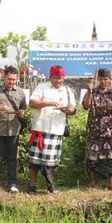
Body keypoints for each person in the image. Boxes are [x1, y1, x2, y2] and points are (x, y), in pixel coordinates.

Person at [27, 65, 77, 194]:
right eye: (55, 78)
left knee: (53, 161)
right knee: (35, 160)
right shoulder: (41, 88)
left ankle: (50, 184)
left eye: (60, 79)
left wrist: (67, 110)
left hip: (57, 129)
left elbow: (73, 109)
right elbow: (32, 103)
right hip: (40, 127)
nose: (58, 81)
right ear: (50, 77)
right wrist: (47, 103)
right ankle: (32, 184)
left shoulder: (67, 90)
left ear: (64, 78)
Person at [0, 66, 27, 193]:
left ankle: (13, 184)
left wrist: (21, 112)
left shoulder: (20, 92)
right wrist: (1, 107)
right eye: (9, 79)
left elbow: (24, 108)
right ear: (4, 77)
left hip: (14, 129)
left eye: (14, 80)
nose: (11, 82)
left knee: (12, 157)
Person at [82, 68, 112, 190]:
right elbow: (86, 106)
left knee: (110, 157)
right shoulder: (92, 92)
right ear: (98, 80)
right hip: (94, 129)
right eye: (101, 79)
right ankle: (93, 181)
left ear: (109, 80)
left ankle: (110, 182)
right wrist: (89, 92)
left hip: (108, 130)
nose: (103, 82)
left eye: (105, 79)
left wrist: (111, 110)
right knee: (92, 157)